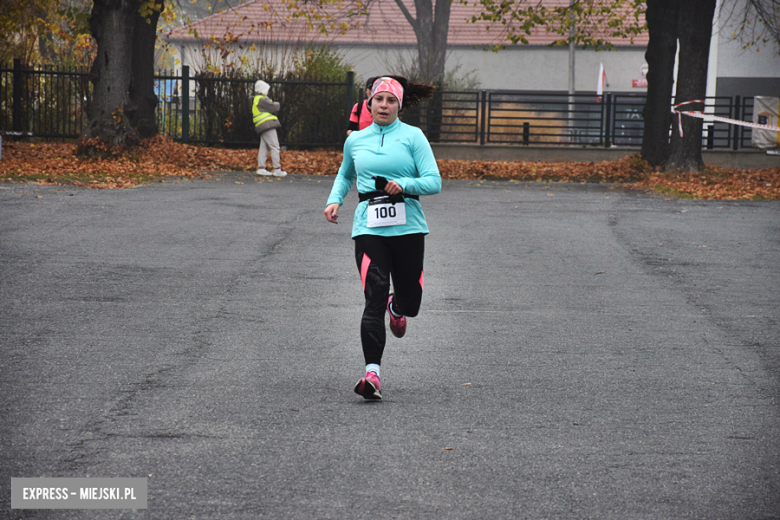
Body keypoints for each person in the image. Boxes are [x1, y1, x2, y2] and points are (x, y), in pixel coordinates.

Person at [324, 76, 440, 400]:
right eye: (379, 100)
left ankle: (398, 306)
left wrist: (405, 184)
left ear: (399, 106)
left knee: (411, 303)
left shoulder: (413, 137)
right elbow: (346, 174)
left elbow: (434, 181)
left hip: (408, 227)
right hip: (368, 227)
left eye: (391, 101)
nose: (384, 106)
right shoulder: (356, 141)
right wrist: (335, 199)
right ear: (370, 104)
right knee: (372, 295)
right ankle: (372, 373)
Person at [252, 80, 287, 177]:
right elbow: (274, 107)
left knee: (264, 147)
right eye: (267, 90)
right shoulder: (262, 99)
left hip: (262, 126)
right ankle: (277, 169)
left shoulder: (257, 99)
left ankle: (261, 168)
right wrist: (278, 104)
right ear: (262, 90)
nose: (268, 92)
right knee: (275, 146)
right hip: (267, 125)